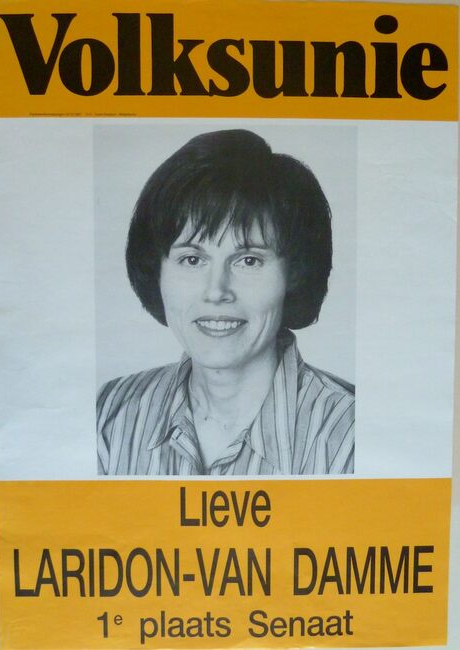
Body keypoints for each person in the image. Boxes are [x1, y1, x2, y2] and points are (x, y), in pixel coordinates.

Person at [97, 129, 354, 476]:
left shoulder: (350, 435)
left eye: (248, 260)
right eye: (192, 259)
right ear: (157, 271)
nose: (216, 291)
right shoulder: (109, 417)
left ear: (294, 273)